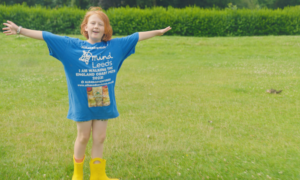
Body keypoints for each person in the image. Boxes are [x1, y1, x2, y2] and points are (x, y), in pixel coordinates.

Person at [3, 6, 171, 180]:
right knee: (83, 137)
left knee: (100, 137)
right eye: (93, 23)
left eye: (100, 24)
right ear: (85, 27)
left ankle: (98, 176)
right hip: (82, 101)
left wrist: (158, 32)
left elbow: (136, 36)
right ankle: (77, 175)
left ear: (106, 29)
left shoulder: (114, 47)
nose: (96, 26)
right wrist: (20, 30)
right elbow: (47, 35)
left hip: (102, 99)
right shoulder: (72, 47)